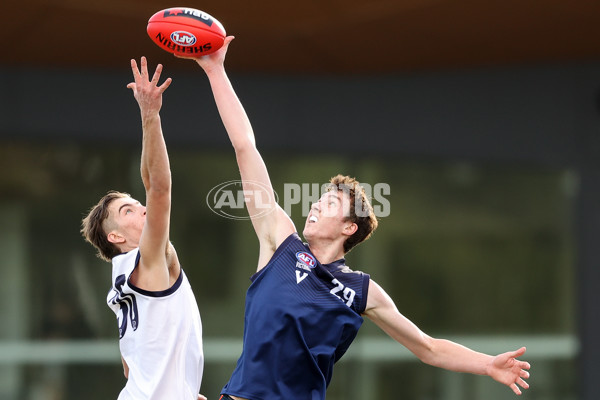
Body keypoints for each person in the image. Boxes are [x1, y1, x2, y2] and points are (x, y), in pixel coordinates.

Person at [189, 37, 531, 400]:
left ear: (349, 228)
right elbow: (245, 146)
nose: (316, 206)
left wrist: (487, 364)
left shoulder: (361, 291)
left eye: (330, 203)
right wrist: (215, 70)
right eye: (319, 199)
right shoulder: (279, 244)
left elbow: (427, 347)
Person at [81, 58, 206, 400]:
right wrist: (150, 115)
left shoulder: (120, 285)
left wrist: (176, 387)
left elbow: (129, 365)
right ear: (116, 237)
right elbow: (159, 188)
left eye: (136, 203)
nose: (143, 209)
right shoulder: (145, 259)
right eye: (129, 210)